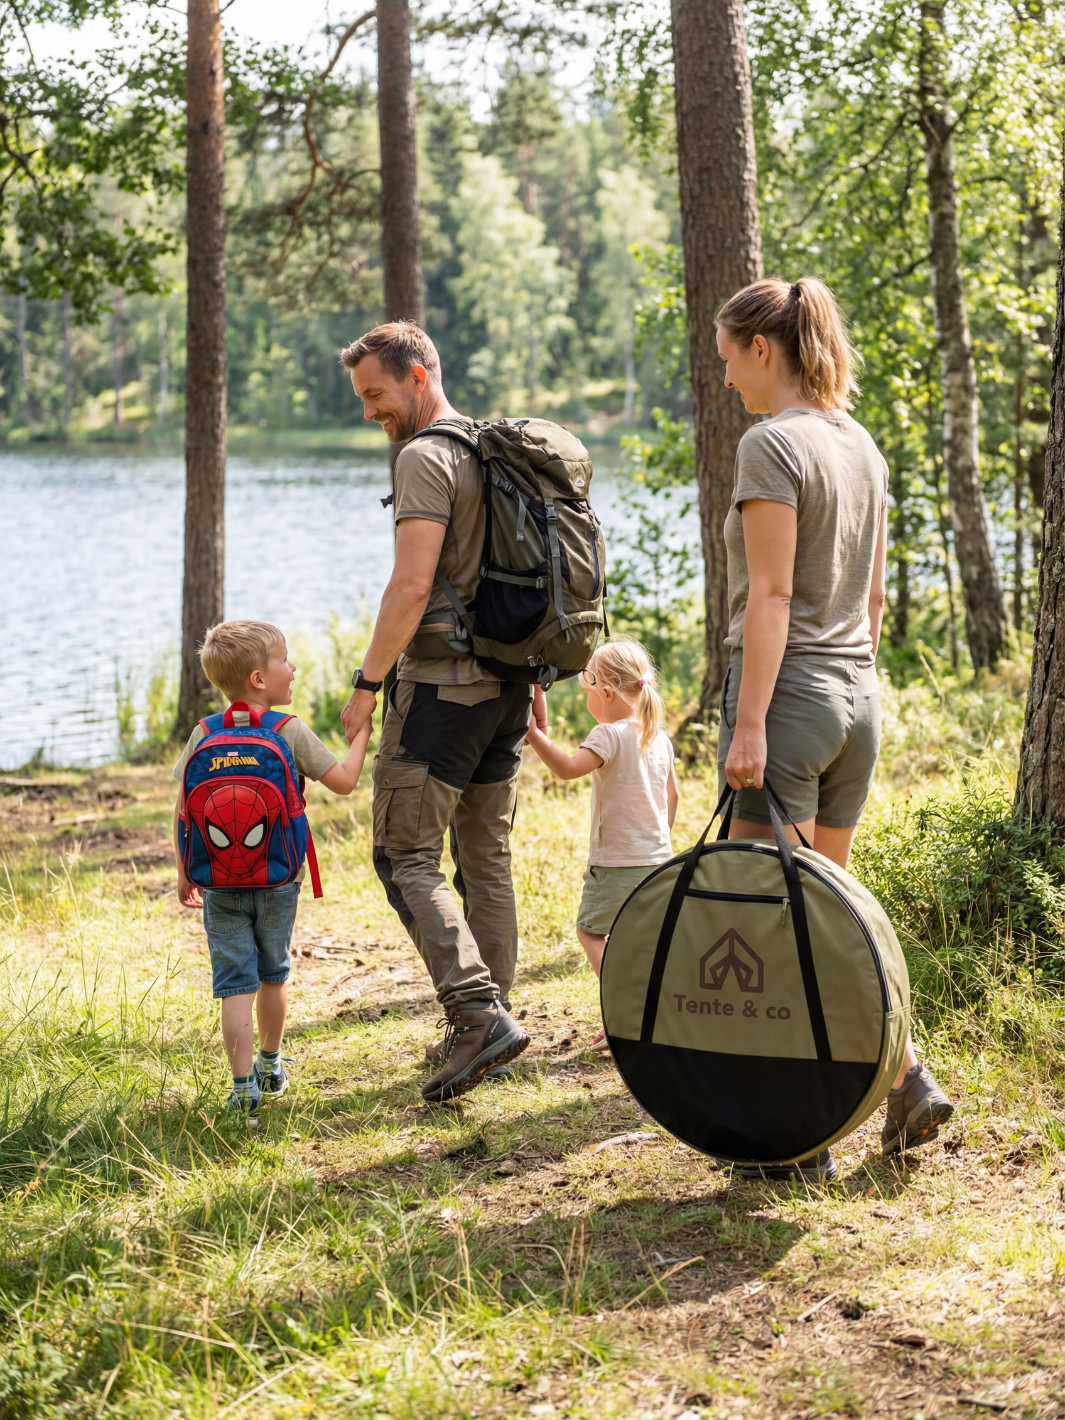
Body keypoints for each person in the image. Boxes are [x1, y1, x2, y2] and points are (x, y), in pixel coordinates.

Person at [715, 275, 954, 1181]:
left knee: (772, 926)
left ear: (763, 350)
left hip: (791, 702)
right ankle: (902, 1079)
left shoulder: (771, 446)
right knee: (829, 921)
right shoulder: (860, 444)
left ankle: (794, 1139)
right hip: (856, 698)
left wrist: (749, 727)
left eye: (730, 356)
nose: (727, 374)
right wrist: (849, 688)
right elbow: (875, 597)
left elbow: (771, 596)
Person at [338, 322, 536, 1103]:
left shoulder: (425, 456)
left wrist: (364, 682)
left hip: (444, 689)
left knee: (403, 855)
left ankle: (475, 1013)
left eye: (376, 394)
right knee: (484, 857)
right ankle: (494, 1018)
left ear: (418, 376)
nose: (369, 412)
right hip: (509, 685)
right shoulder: (493, 448)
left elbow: (412, 586)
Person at [173, 621, 370, 1115]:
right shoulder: (289, 729)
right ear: (260, 678)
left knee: (234, 982)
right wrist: (363, 734)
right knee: (272, 975)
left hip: (217, 879)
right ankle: (271, 1063)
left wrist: (184, 870)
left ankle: (242, 1091)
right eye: (286, 660)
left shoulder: (204, 732)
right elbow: (344, 782)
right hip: (281, 877)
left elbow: (183, 806)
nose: (294, 668)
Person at [525, 637, 679, 1051]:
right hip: (658, 861)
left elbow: (565, 768)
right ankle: (653, 1014)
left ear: (606, 693)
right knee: (638, 939)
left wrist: (533, 733)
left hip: (614, 864)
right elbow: (672, 798)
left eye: (588, 691)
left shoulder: (608, 734)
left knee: (590, 933)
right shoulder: (657, 736)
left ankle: (624, 1012)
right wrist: (654, 837)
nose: (588, 700)